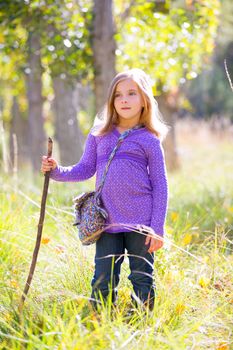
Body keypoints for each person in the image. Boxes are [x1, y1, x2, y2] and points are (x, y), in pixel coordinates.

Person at [41, 68, 169, 311]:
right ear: (111, 101)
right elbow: (85, 169)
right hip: (107, 220)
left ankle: (141, 326)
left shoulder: (149, 139)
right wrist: (56, 171)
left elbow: (160, 185)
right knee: (103, 279)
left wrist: (157, 227)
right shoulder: (100, 134)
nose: (124, 99)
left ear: (144, 100)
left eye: (132, 93)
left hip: (141, 222)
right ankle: (100, 325)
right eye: (118, 95)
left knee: (142, 278)